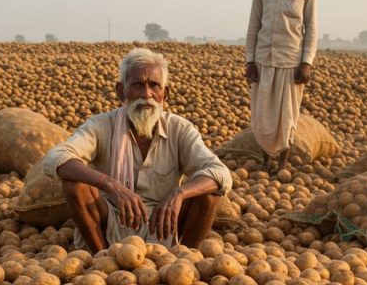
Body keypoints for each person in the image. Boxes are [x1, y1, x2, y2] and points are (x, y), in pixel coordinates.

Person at [42, 48, 232, 252]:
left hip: (164, 222)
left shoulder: (179, 128)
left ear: (164, 94)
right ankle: (101, 257)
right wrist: (111, 185)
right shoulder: (101, 125)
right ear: (121, 91)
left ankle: (185, 259)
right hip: (113, 218)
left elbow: (220, 173)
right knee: (74, 185)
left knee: (209, 194)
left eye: (154, 86)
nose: (146, 95)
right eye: (138, 85)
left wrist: (179, 193)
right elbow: (56, 157)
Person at [245, 0, 318, 173]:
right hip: (264, 58)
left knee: (287, 116)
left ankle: (283, 162)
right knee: (263, 114)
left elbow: (311, 27)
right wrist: (249, 60)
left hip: (291, 60)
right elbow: (254, 24)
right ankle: (265, 161)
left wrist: (306, 62)